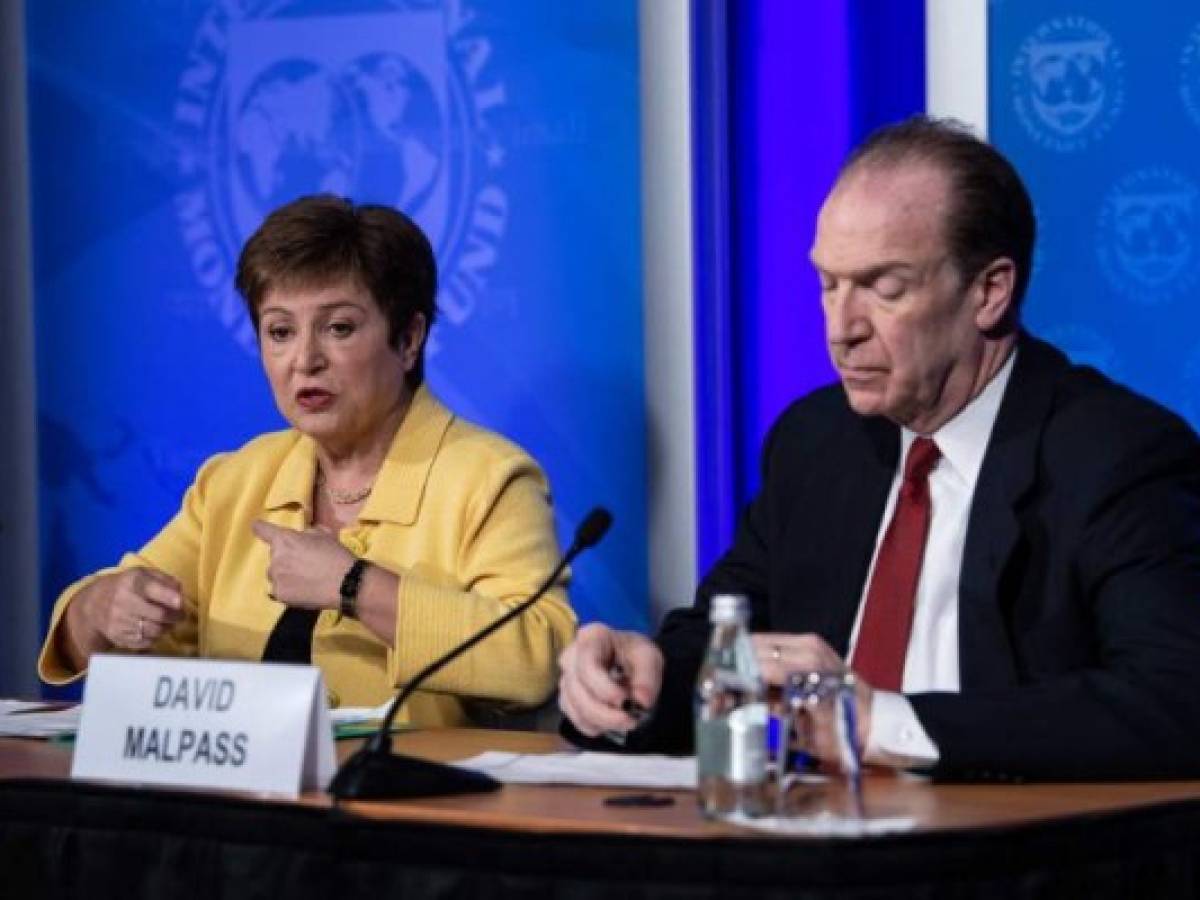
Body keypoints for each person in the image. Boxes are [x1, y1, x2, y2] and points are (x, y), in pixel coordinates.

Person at [558, 116, 1200, 781]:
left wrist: (883, 725)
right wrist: (640, 678)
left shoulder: (1114, 454)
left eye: (883, 288)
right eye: (828, 285)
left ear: (989, 291)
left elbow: (1175, 697)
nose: (841, 331)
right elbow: (730, 638)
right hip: (813, 847)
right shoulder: (814, 441)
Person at [39, 194, 576, 726]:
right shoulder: (236, 481)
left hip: (405, 800)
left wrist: (356, 586)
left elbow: (536, 658)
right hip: (238, 799)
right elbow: (123, 623)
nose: (304, 360)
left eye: (338, 328)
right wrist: (101, 609)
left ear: (409, 339)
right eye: (279, 332)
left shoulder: (488, 478)